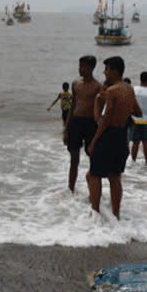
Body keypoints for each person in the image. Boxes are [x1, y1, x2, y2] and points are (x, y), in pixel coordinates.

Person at [87, 57, 142, 219]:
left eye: (106, 69)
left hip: (108, 135)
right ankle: (116, 214)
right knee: (115, 177)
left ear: (115, 71)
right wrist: (123, 109)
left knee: (95, 175)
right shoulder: (128, 89)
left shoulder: (111, 92)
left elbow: (103, 120)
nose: (104, 72)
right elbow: (138, 113)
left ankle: (95, 213)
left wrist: (94, 141)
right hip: (122, 135)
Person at [63, 56, 102, 193]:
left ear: (91, 68)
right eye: (79, 66)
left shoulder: (98, 86)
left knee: (93, 158)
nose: (80, 69)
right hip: (75, 122)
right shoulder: (75, 84)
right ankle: (70, 189)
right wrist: (66, 129)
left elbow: (101, 108)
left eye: (83, 66)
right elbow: (72, 107)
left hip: (90, 123)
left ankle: (93, 192)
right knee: (74, 159)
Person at [129, 71, 147, 165]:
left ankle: (133, 161)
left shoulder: (133, 90)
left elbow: (130, 104)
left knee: (135, 142)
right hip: (146, 120)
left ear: (140, 79)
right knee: (146, 143)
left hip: (135, 119)